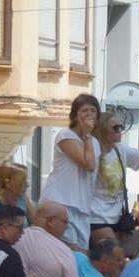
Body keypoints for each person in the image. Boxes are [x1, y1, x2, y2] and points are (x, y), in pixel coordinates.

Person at [39, 95, 106, 242]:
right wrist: (87, 134)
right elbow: (88, 164)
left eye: (93, 111)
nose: (89, 114)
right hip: (61, 203)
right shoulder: (65, 135)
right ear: (75, 116)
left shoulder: (94, 142)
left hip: (82, 207)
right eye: (84, 110)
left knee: (81, 253)